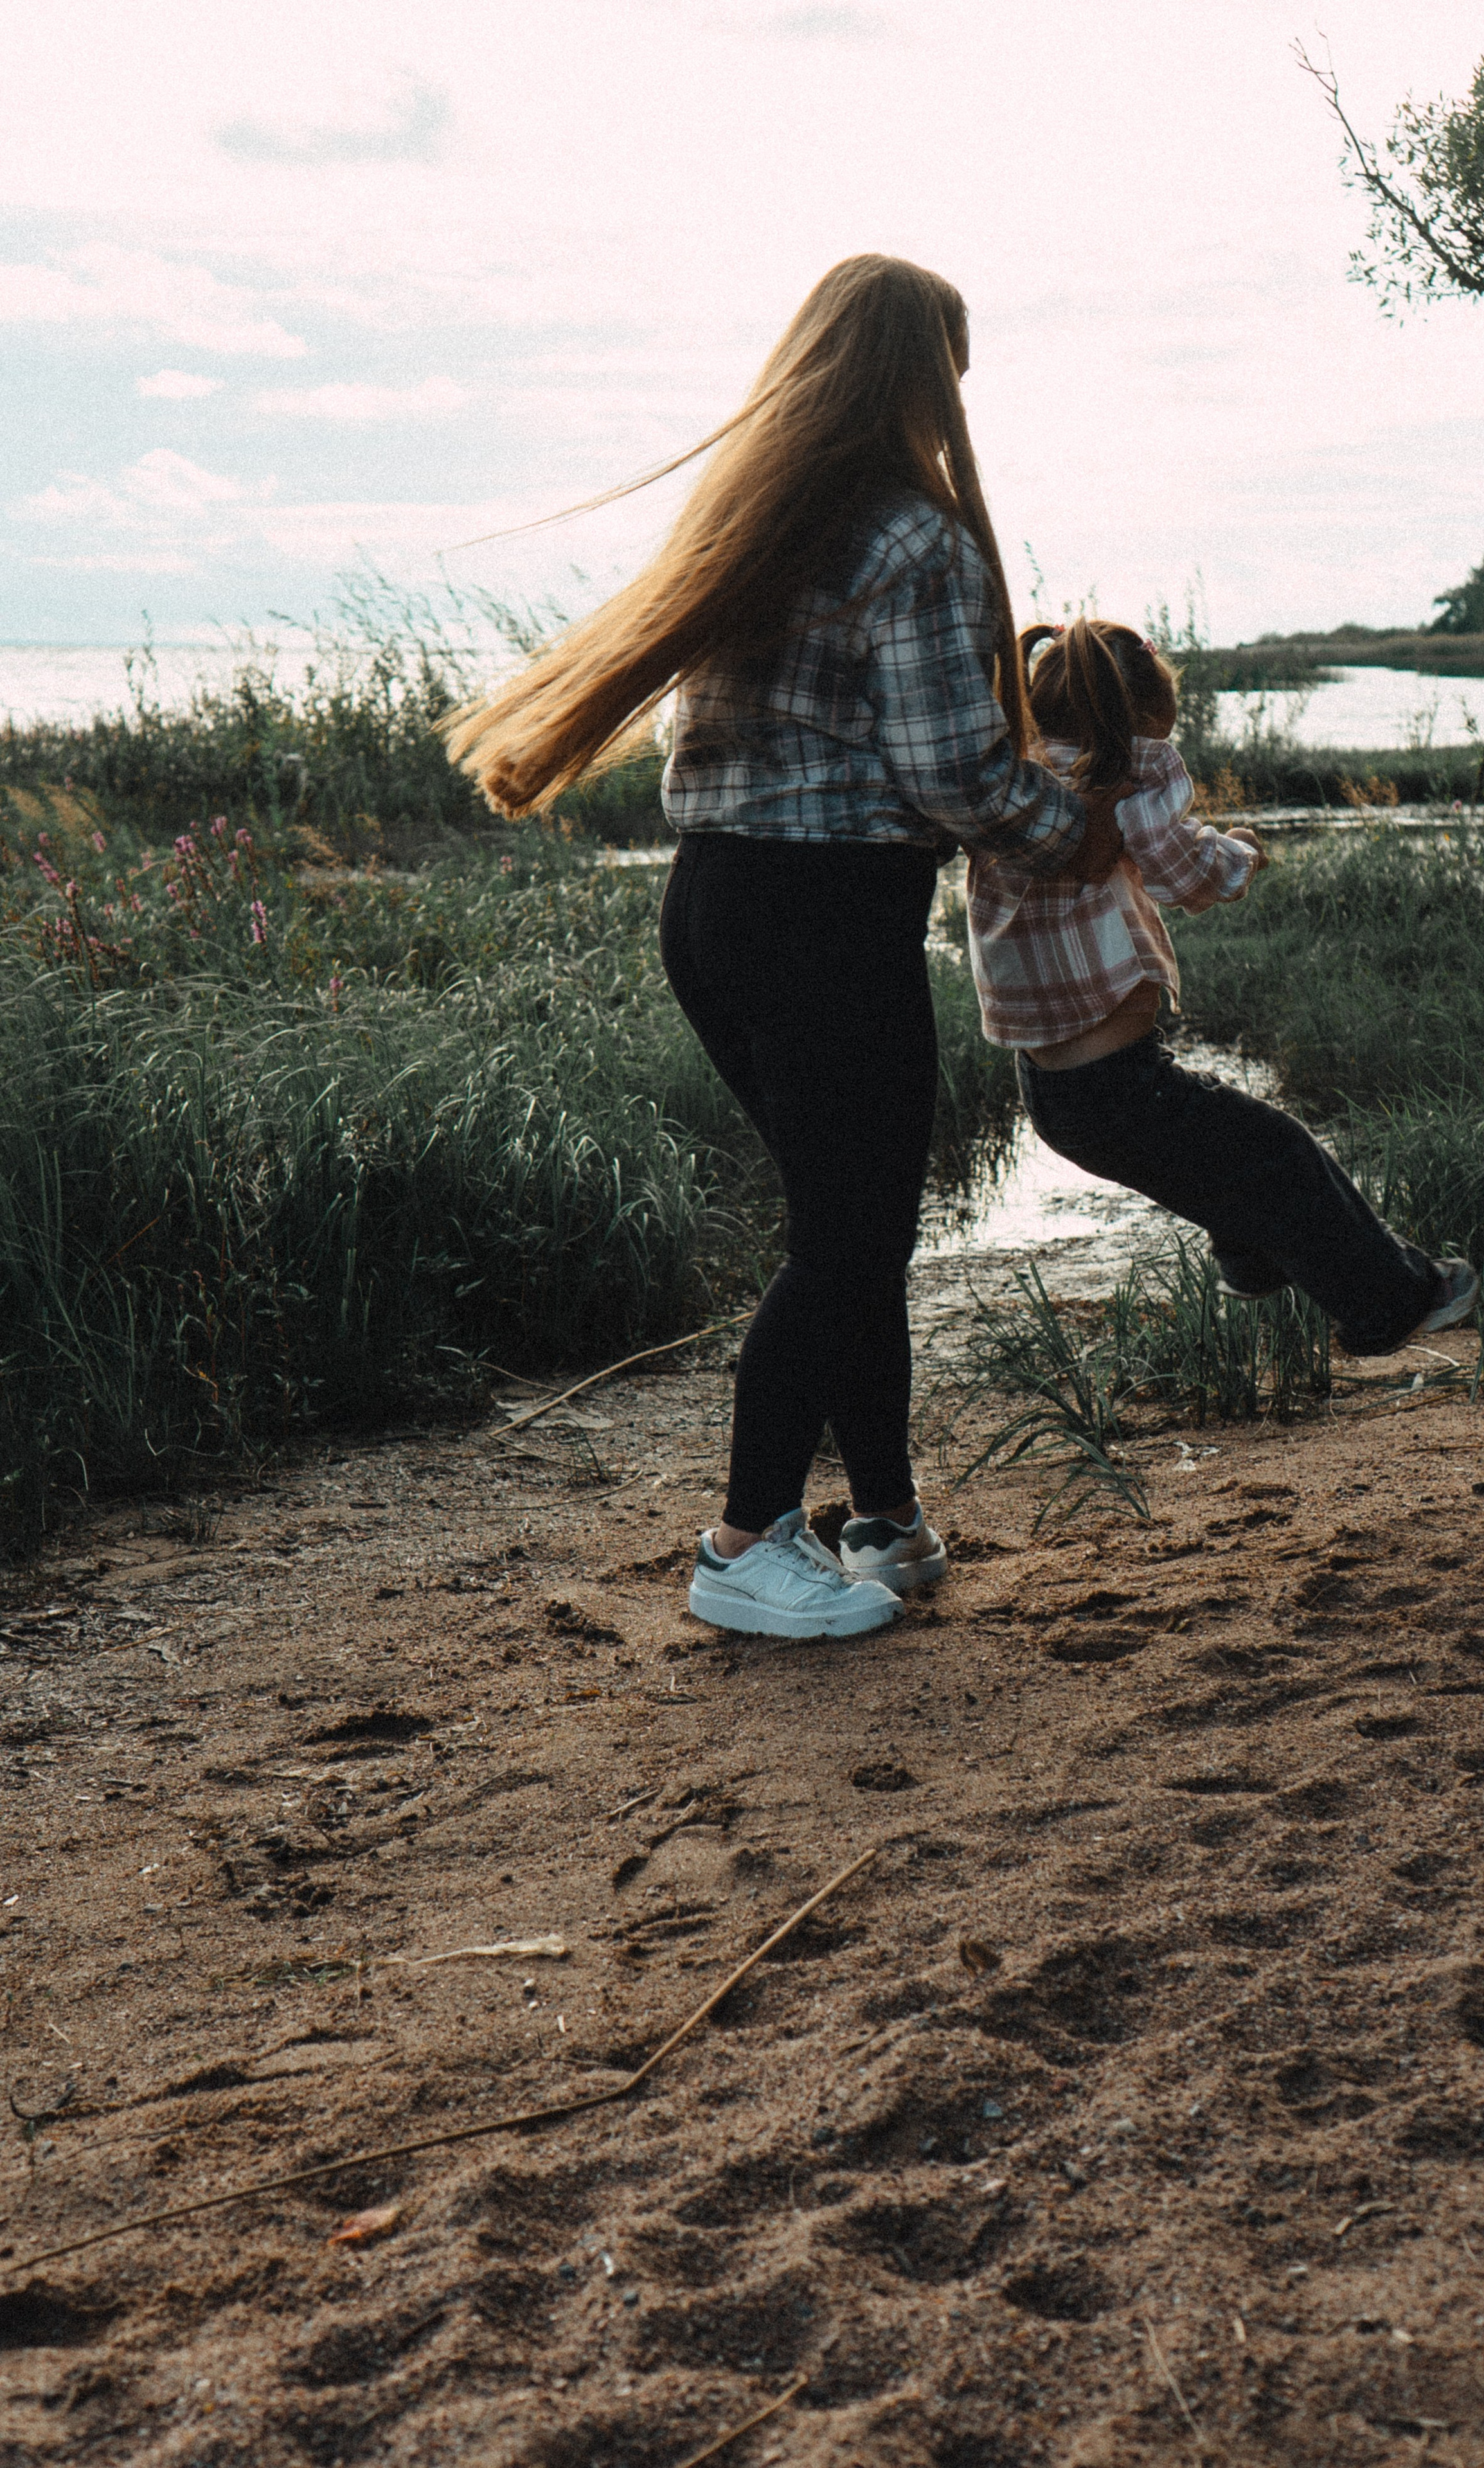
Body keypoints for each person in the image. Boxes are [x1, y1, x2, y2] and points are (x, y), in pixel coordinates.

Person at [445, 256, 1129, 1640]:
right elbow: (953, 776)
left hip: (712, 909)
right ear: (920, 377)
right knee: (851, 1235)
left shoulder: (752, 522)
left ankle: (879, 1517)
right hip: (824, 921)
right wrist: (1080, 831)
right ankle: (742, 1544)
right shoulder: (916, 541)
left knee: (850, 1224)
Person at [967, 618, 1478, 1352]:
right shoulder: (1127, 772)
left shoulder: (1017, 784)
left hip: (1050, 1095)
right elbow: (1180, 871)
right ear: (1136, 718)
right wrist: (1239, 854)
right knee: (1282, 1154)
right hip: (1116, 1086)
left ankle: (1250, 1257)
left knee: (1219, 1158)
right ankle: (1395, 1301)